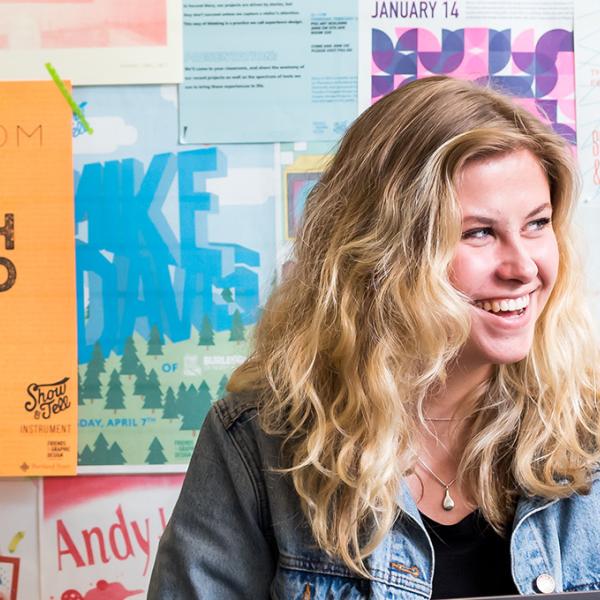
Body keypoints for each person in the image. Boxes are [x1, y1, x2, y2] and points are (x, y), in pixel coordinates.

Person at [148, 76, 600, 599]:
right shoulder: (259, 442)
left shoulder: (587, 432)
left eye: (537, 224)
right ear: (382, 254)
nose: (523, 267)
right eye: (478, 232)